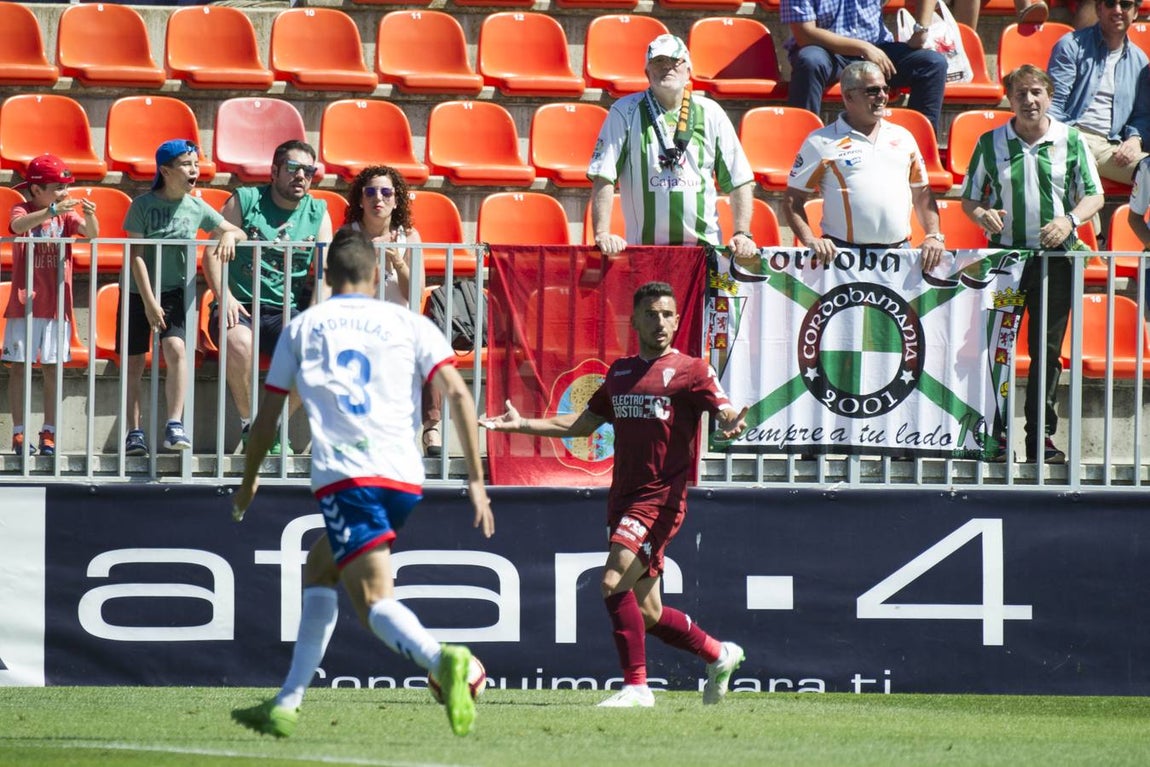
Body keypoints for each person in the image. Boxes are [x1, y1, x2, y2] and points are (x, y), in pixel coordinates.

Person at [230, 228, 494, 738]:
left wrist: (249, 480)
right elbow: (459, 397)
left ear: (325, 277)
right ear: (377, 275)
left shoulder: (305, 327)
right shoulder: (409, 321)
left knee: (373, 600)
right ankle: (288, 700)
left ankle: (442, 660)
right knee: (320, 568)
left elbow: (266, 419)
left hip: (349, 475)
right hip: (406, 476)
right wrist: (477, 482)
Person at [483, 281, 748, 708]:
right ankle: (720, 654)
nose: (659, 322)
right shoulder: (621, 372)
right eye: (651, 314)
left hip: (660, 498)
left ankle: (637, 688)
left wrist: (732, 420)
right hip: (623, 497)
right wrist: (519, 425)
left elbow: (724, 408)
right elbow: (583, 425)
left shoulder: (691, 370)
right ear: (635, 320)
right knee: (649, 613)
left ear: (678, 320)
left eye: (667, 314)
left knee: (611, 581)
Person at [960, 64, 1104, 464]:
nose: (1029, 100)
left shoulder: (1071, 141)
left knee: (1047, 350)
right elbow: (970, 199)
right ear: (1010, 99)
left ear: (1049, 96)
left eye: (1036, 92)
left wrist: (1069, 220)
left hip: (1054, 262)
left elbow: (1094, 197)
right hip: (1006, 262)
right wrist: (980, 215)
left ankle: (1040, 437)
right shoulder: (991, 143)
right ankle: (996, 434)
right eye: (1021, 93)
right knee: (999, 349)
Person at [202, 140, 332, 455]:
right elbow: (211, 252)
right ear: (274, 171)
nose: (301, 175)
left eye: (308, 170)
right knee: (240, 343)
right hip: (239, 304)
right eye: (293, 168)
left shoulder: (318, 211)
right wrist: (225, 295)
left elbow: (325, 272)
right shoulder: (246, 201)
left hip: (284, 311)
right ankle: (249, 425)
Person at [120, 138, 245, 457]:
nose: (194, 170)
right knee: (134, 363)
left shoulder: (197, 206)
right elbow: (135, 256)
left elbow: (237, 231)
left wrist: (229, 234)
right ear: (165, 170)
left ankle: (174, 424)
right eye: (187, 164)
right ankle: (134, 432)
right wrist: (148, 301)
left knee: (176, 349)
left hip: (176, 293)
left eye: (196, 164)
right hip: (138, 291)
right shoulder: (143, 205)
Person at [587, 34, 759, 261]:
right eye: (658, 62)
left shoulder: (711, 112)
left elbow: (740, 179)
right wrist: (601, 233)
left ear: (688, 71)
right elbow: (604, 174)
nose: (666, 67)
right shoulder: (624, 111)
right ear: (647, 72)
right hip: (644, 252)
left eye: (674, 61)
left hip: (703, 253)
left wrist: (742, 233)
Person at [783, 61, 948, 273]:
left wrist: (934, 235)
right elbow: (792, 200)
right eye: (872, 90)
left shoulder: (904, 137)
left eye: (885, 89)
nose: (882, 96)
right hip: (842, 258)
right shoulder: (820, 141)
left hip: (898, 254)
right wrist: (810, 240)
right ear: (848, 96)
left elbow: (922, 195)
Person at [339, 166, 441, 458]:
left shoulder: (410, 236)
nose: (378, 199)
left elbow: (415, 293)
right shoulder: (348, 235)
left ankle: (431, 426)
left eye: (386, 192)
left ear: (397, 201)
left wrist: (398, 262)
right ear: (360, 199)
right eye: (370, 192)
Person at [3, 154, 97, 456]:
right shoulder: (24, 207)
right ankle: (19, 434)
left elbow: (91, 233)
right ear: (36, 190)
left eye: (65, 186)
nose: (64, 193)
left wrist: (91, 215)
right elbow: (17, 226)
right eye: (57, 187)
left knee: (53, 369)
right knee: (19, 368)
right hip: (24, 304)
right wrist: (51, 210)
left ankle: (50, 433)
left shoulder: (65, 216)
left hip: (58, 305)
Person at [781, 0, 949, 134]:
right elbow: (805, 34)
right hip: (827, 50)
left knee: (932, 64)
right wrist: (862, 47)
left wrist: (921, 29)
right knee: (809, 61)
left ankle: (919, 148)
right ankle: (801, 144)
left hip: (877, 47)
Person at [1047, 0, 1150, 187]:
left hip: (1111, 148)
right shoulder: (1071, 45)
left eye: (1125, 4)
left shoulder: (1139, 60)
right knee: (1082, 183)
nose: (1118, 10)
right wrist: (1067, 143)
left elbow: (1141, 115)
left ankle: (1135, 218)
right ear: (1098, 9)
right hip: (1073, 136)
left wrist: (1135, 140)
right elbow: (1054, 104)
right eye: (1111, 3)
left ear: (1135, 13)